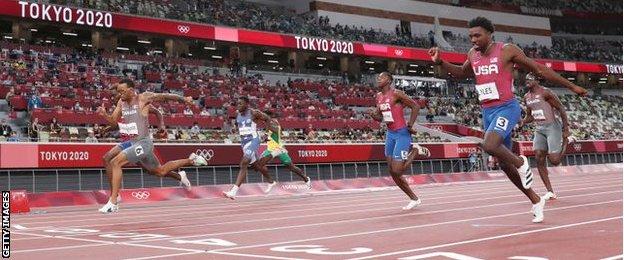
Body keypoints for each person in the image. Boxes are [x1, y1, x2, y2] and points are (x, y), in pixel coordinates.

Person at [428, 17, 587, 222]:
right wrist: (441, 61)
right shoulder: (472, 54)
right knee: (503, 164)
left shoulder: (506, 50)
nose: (473, 40)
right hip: (487, 111)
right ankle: (536, 199)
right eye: (470, 36)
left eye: (477, 35)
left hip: (507, 108)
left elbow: (539, 69)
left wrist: (572, 86)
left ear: (489, 34)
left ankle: (521, 162)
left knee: (489, 145)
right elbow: (461, 72)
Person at [97, 79, 208, 213]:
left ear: (131, 90)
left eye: (122, 91)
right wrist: (104, 115)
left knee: (116, 162)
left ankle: (113, 201)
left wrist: (184, 99)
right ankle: (191, 160)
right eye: (118, 92)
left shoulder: (143, 98)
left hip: (144, 143)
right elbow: (114, 122)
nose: (120, 94)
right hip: (131, 142)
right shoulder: (121, 103)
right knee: (159, 171)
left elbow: (165, 96)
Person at [369, 72, 430, 210]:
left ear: (389, 81)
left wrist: (410, 125)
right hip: (390, 134)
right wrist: (373, 115)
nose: (379, 79)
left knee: (397, 170)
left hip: (402, 133)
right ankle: (414, 198)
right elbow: (380, 118)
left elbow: (415, 106)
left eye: (382, 77)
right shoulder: (378, 97)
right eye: (378, 77)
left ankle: (416, 150)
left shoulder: (396, 94)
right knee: (392, 172)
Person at [520, 73, 574, 200]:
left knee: (555, 161)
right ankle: (550, 191)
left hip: (552, 127)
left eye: (529, 79)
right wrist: (522, 121)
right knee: (539, 157)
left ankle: (567, 141)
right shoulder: (526, 97)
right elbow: (530, 116)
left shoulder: (546, 93)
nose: (527, 81)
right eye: (525, 79)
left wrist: (565, 129)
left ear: (537, 80)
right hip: (539, 129)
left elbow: (561, 108)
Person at [223, 97, 278, 199]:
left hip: (253, 140)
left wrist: (266, 133)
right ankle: (271, 181)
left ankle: (233, 192)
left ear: (247, 104)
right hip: (244, 143)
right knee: (256, 166)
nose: (238, 106)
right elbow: (241, 126)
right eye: (237, 104)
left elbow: (267, 119)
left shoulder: (254, 113)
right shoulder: (238, 114)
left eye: (240, 104)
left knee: (244, 162)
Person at [252, 111, 311, 189]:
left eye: (262, 116)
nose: (261, 117)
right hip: (270, 150)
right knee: (258, 166)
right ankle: (271, 182)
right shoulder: (267, 124)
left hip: (279, 149)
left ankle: (306, 179)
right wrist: (264, 137)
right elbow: (268, 136)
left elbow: (277, 131)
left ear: (266, 116)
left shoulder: (273, 123)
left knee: (291, 167)